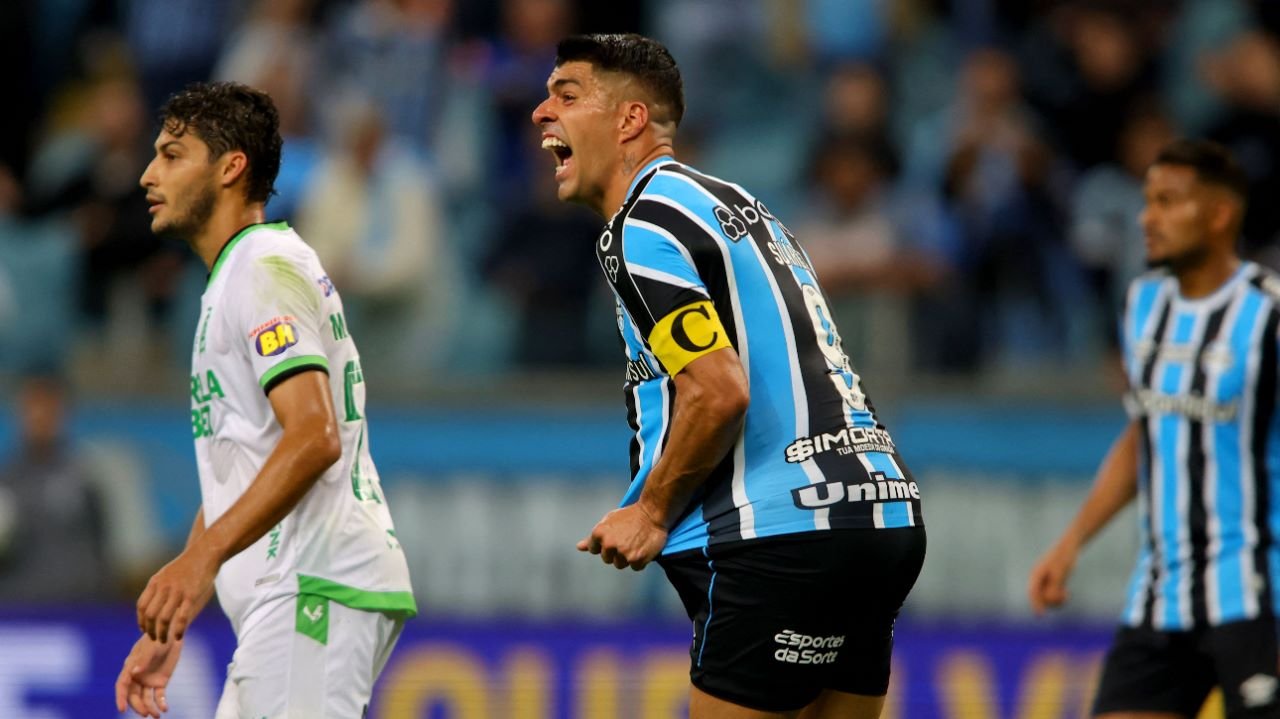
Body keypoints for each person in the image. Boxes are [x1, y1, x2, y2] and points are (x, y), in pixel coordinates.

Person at [532, 34, 926, 719]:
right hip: (881, 511)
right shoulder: (739, 204)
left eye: (567, 95)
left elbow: (719, 388)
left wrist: (650, 510)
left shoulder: (642, 223)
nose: (541, 112)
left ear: (629, 120)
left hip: (781, 532)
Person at [114, 81, 415, 719]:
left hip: (311, 584)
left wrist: (200, 561)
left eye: (172, 155)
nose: (147, 175)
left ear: (230, 167)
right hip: (304, 591)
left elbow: (313, 435)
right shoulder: (245, 274)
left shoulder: (260, 270)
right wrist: (181, 607)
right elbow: (254, 461)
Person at [1028, 139, 1280, 718]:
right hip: (1160, 595)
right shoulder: (1142, 305)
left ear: (1219, 214)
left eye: (1168, 202)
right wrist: (1070, 545)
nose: (1148, 218)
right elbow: (1146, 433)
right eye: (1148, 201)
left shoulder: (1266, 315)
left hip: (1255, 593)